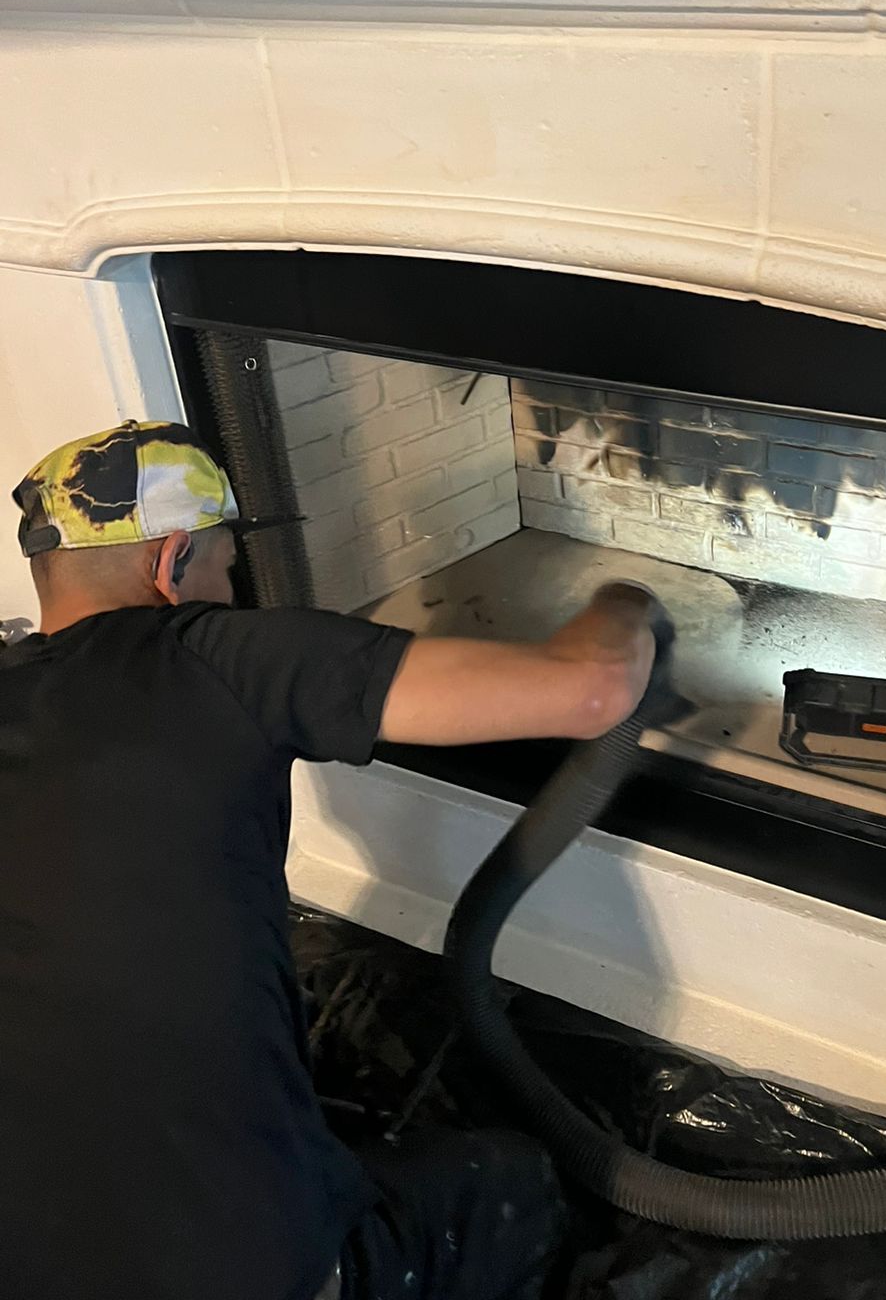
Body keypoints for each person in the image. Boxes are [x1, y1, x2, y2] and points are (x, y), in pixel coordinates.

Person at [0, 420, 658, 1300]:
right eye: (226, 565)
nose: (231, 588)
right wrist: (627, 597)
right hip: (244, 1270)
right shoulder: (211, 656)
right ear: (171, 563)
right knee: (511, 1178)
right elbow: (592, 688)